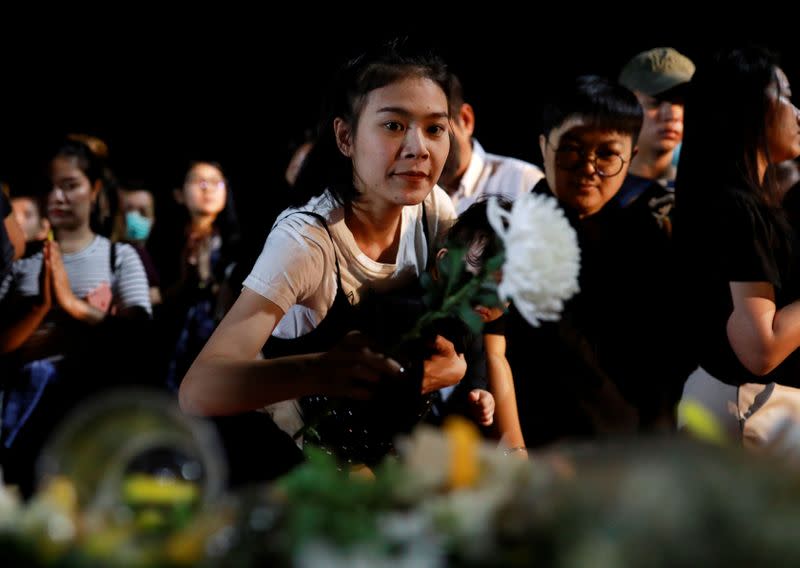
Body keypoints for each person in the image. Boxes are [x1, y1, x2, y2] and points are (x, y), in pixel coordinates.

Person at [179, 40, 466, 470]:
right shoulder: (307, 241)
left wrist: (452, 369)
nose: (418, 148)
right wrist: (322, 371)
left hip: (385, 458)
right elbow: (199, 389)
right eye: (392, 125)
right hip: (294, 464)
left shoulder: (433, 210)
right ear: (345, 137)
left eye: (434, 128)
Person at [505, 75, 690, 448]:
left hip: (635, 455)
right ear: (543, 147)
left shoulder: (649, 239)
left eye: (607, 154)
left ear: (631, 158)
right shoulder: (505, 238)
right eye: (572, 150)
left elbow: (666, 365)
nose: (589, 167)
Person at [0, 138, 152, 494]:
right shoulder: (19, 265)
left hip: (90, 427)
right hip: (17, 429)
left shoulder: (120, 258)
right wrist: (42, 309)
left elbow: (140, 339)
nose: (57, 198)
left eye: (70, 186)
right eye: (48, 188)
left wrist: (71, 305)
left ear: (94, 189)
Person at [675, 47, 800, 447]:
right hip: (748, 411)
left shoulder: (741, 202)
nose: (797, 113)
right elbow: (760, 348)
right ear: (746, 108)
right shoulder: (735, 209)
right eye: (784, 94)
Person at [438, 72, 543, 215]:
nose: (421, 145)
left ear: (465, 119)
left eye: (435, 128)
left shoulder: (524, 181)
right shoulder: (410, 194)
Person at [617, 47, 695, 231]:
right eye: (656, 101)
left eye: (682, 102)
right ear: (623, 104)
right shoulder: (597, 187)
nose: (673, 114)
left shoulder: (704, 191)